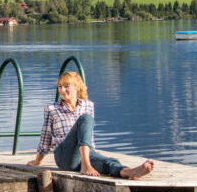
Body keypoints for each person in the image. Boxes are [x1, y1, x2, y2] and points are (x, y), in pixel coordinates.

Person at [26, 71, 154, 179]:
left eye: (66, 86)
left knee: (109, 162)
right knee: (85, 118)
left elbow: (87, 134)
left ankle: (130, 172)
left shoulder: (88, 105)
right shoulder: (52, 109)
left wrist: (95, 155)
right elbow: (46, 138)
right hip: (65, 156)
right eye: (60, 86)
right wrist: (37, 161)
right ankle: (86, 165)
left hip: (85, 153)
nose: (62, 90)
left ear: (77, 87)